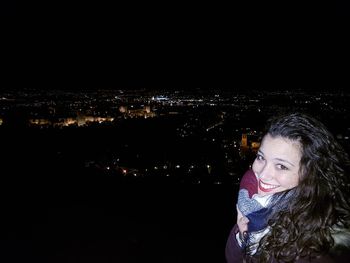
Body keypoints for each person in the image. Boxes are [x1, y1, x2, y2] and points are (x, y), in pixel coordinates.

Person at [225, 112, 350, 263]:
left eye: (281, 166)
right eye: (260, 157)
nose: (263, 174)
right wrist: (242, 234)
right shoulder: (255, 204)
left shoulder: (318, 248)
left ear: (310, 174)